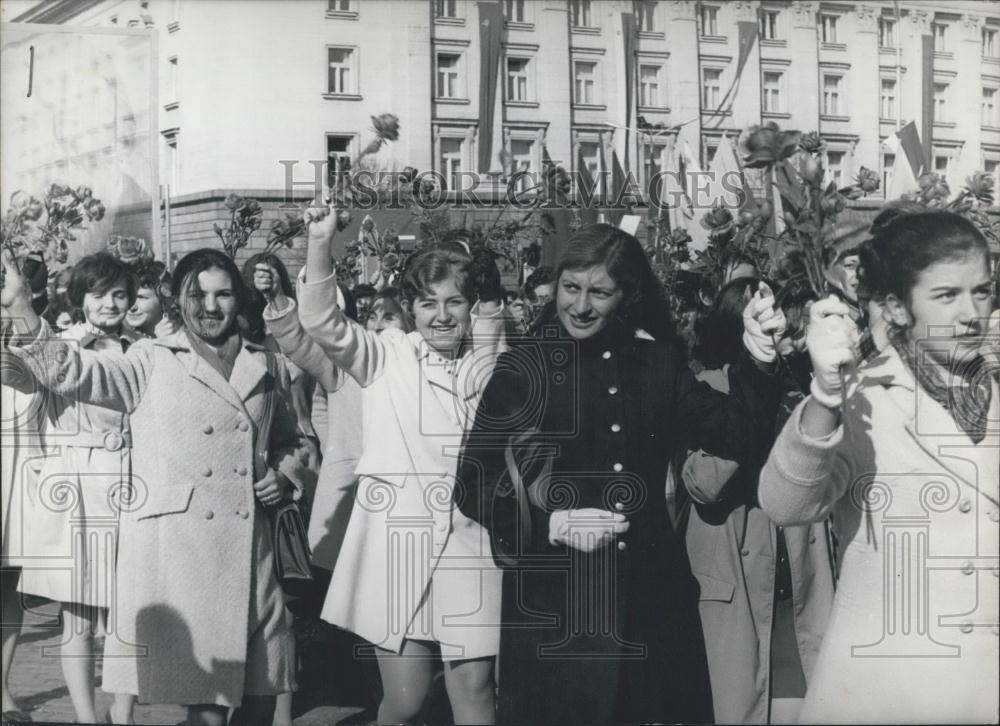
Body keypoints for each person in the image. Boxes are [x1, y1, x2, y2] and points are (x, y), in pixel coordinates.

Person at [455, 224, 787, 724]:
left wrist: (759, 360)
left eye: (599, 292)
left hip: (649, 605)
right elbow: (472, 484)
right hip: (557, 608)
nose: (581, 306)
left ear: (626, 296)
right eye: (571, 288)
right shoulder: (521, 369)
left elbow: (732, 433)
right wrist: (552, 525)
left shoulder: (657, 363)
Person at [2, 247, 314, 726]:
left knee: (262, 702)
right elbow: (74, 370)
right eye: (198, 295)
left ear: (238, 298)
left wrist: (284, 475)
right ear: (178, 302)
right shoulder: (150, 359)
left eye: (223, 294)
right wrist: (21, 308)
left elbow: (293, 441)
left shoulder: (265, 364)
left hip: (255, 558)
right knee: (208, 709)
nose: (210, 307)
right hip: (186, 555)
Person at [759, 211, 1000, 723]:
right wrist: (823, 396)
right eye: (946, 295)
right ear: (895, 306)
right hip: (892, 681)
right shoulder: (863, 397)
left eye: (981, 291)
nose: (971, 314)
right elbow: (786, 504)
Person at [295, 202, 505, 725]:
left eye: (454, 302)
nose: (441, 315)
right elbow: (321, 318)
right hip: (399, 545)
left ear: (472, 306)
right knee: (406, 701)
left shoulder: (494, 366)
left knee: (476, 691)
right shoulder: (387, 354)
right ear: (410, 308)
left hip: (471, 545)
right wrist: (320, 243)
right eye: (427, 303)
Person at [682, 277, 835, 725]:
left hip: (801, 584)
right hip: (738, 588)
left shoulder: (806, 393)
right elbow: (702, 485)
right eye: (767, 326)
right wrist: (750, 410)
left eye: (785, 326)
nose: (782, 335)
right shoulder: (706, 388)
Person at [2, 252, 136, 724]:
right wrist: (16, 316)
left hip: (131, 493)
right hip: (76, 495)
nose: (110, 303)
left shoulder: (143, 349)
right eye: (99, 294)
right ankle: (85, 716)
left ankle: (124, 712)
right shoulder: (58, 345)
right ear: (80, 299)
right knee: (78, 618)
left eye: (120, 294)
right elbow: (18, 372)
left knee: (126, 616)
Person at [124, 260, 174, 339]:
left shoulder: (183, 338)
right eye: (127, 296)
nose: (132, 307)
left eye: (141, 297)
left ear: (163, 300)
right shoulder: (119, 339)